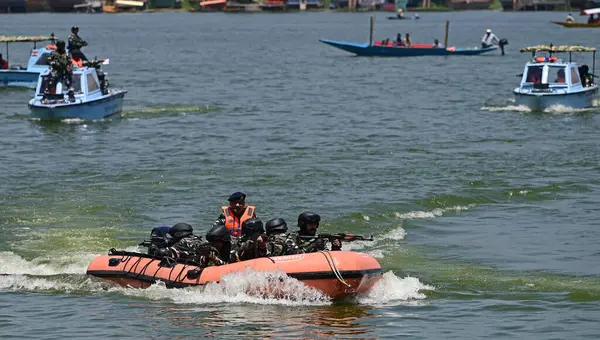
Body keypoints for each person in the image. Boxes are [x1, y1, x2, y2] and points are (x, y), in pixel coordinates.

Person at [154, 223, 225, 267]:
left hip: (203, 262)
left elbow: (164, 253)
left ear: (177, 234)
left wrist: (155, 249)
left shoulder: (184, 241)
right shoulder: (196, 239)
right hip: (214, 259)